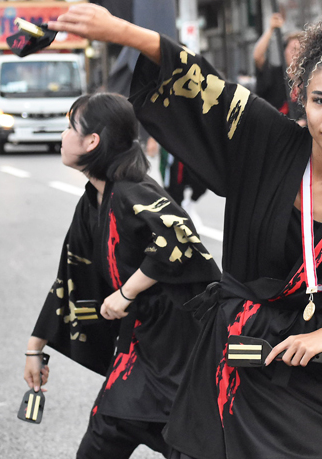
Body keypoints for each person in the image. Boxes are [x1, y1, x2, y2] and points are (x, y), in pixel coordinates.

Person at [49, 5, 322, 459]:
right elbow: (205, 84)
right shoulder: (267, 140)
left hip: (307, 365)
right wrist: (123, 32)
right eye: (319, 100)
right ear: (303, 98)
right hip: (233, 355)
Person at [23, 93, 221, 458]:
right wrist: (35, 349)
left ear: (92, 142)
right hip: (140, 351)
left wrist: (127, 292)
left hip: (176, 351)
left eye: (71, 127)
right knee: (107, 436)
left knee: (178, 440)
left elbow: (181, 239)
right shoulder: (93, 201)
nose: (64, 135)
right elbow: (70, 277)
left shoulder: (134, 192)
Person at [252, 12, 304, 120]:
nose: (296, 55)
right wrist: (270, 29)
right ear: (284, 52)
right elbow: (258, 56)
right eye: (292, 50)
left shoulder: (308, 81)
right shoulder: (274, 75)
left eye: (300, 51)